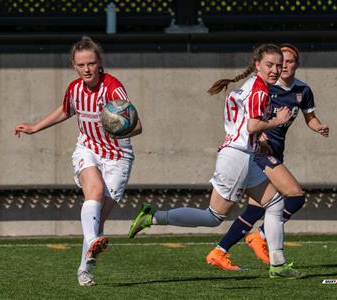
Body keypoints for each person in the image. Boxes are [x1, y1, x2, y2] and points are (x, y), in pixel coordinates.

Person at [128, 44, 305, 278]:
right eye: (270, 65)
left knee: (274, 203)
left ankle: (278, 265)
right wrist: (277, 121)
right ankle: (153, 217)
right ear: (257, 65)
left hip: (241, 154)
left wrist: (256, 138)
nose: (275, 70)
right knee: (213, 217)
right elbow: (252, 125)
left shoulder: (251, 85)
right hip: (238, 157)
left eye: (279, 66)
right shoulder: (260, 90)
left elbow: (246, 125)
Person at [14, 36, 142, 286]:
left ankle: (85, 268)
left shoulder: (113, 88)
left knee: (98, 219)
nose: (87, 69)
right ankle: (92, 245)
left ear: (99, 63)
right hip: (88, 148)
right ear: (74, 65)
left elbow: (137, 126)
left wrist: (118, 129)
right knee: (92, 191)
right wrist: (35, 127)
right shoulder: (74, 89)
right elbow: (66, 109)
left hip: (118, 156)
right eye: (81, 65)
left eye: (91, 64)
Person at [208, 43, 329, 270]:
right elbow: (251, 120)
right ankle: (262, 237)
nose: (281, 67)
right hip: (260, 153)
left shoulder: (302, 91)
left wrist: (319, 126)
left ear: (295, 65)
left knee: (256, 208)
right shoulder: (265, 87)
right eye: (275, 63)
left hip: (275, 152)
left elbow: (310, 117)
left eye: (288, 62)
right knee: (295, 196)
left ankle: (219, 251)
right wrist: (261, 135)